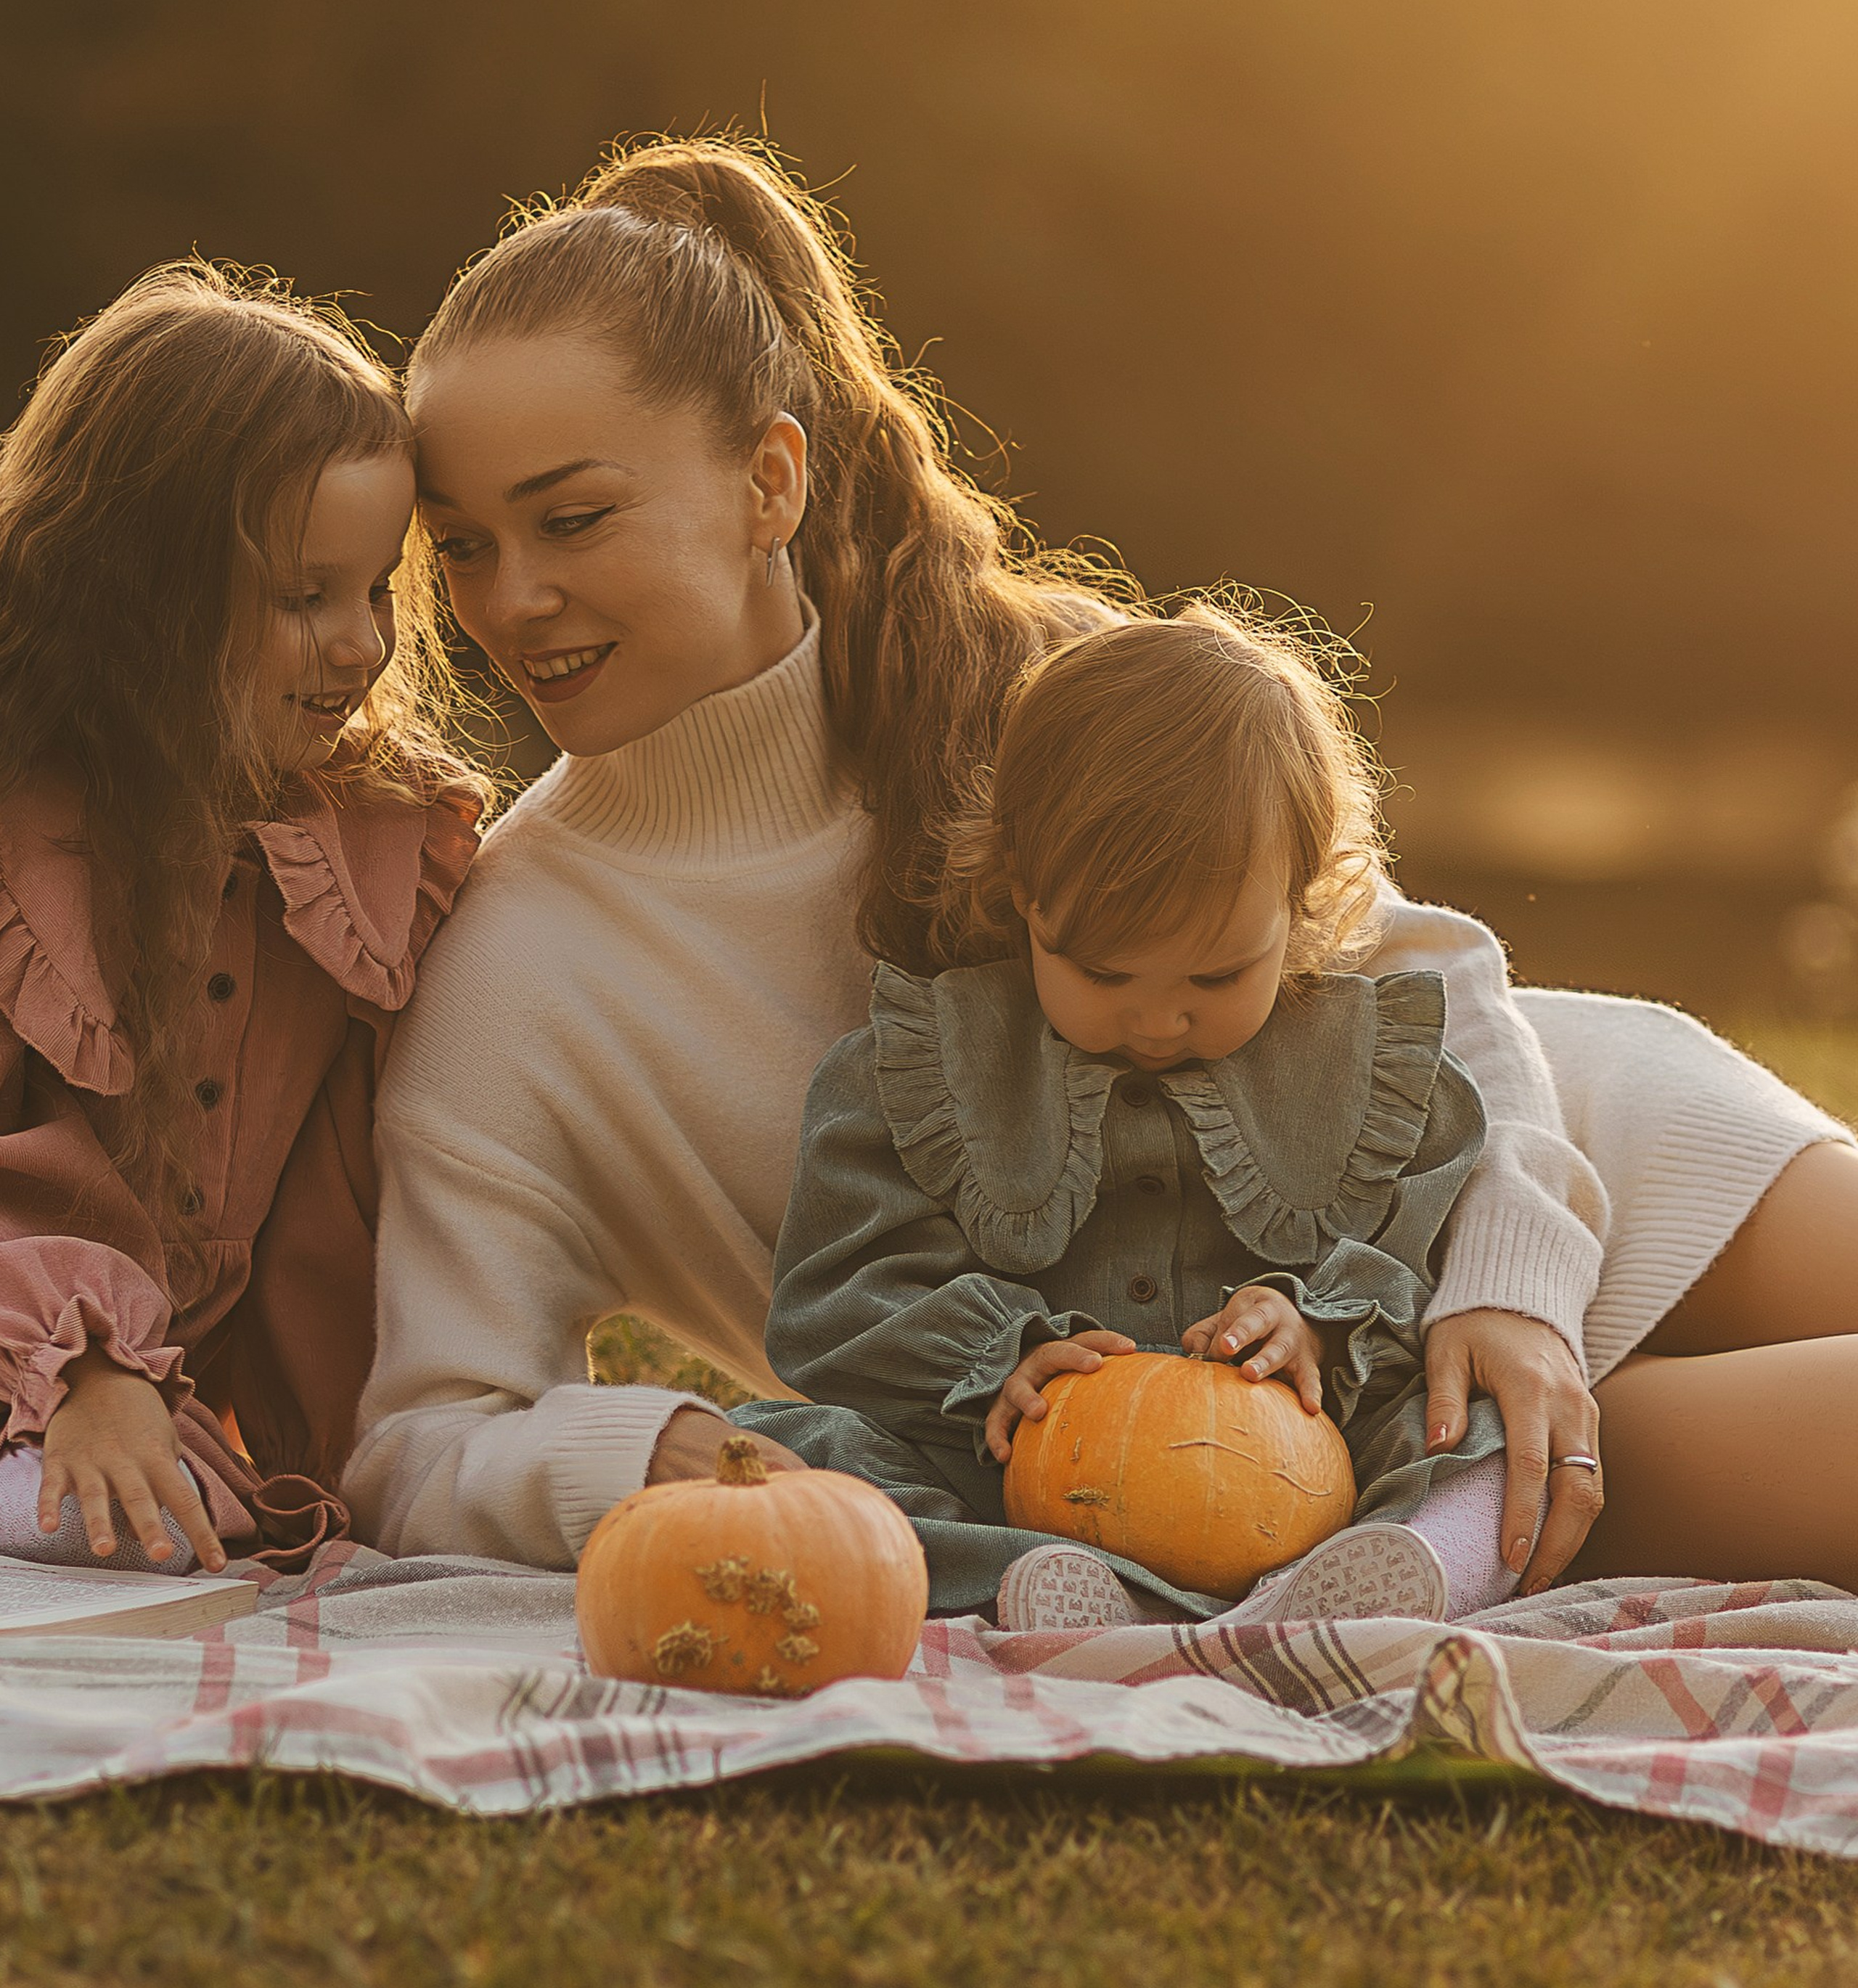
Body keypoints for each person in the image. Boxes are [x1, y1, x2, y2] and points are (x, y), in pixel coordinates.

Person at [345, 139, 1853, 1596]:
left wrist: (1514, 1277)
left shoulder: (1038, 675)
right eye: (462, 544)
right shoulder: (516, 967)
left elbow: (1408, 964)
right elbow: (422, 1441)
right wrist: (664, 1450)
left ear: (770, 483)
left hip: (1566, 1154)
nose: (512, 598)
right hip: (1335, 1426)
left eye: (573, 517)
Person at [749, 607, 1518, 1629]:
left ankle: (1411, 1571)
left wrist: (1318, 1326)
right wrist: (997, 1361)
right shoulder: (927, 1067)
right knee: (809, 1450)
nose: (1158, 1018)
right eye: (1102, 971)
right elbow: (836, 1295)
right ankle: (1029, 1586)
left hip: (1303, 1491)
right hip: (1013, 1487)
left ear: (1301, 895)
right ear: (1022, 889)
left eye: (1217, 973)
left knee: (1477, 1432)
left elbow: (1421, 1258)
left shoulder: (1370, 1071)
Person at [0, 266, 482, 1574]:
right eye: (302, 597)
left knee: (173, 1530)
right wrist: (84, 1360)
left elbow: (329, 1225)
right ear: (134, 595)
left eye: (378, 589)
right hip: (26, 1359)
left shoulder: (355, 862)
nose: (362, 645)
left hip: (147, 1413)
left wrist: (355, 1454)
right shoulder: (22, 849)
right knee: (63, 1515)